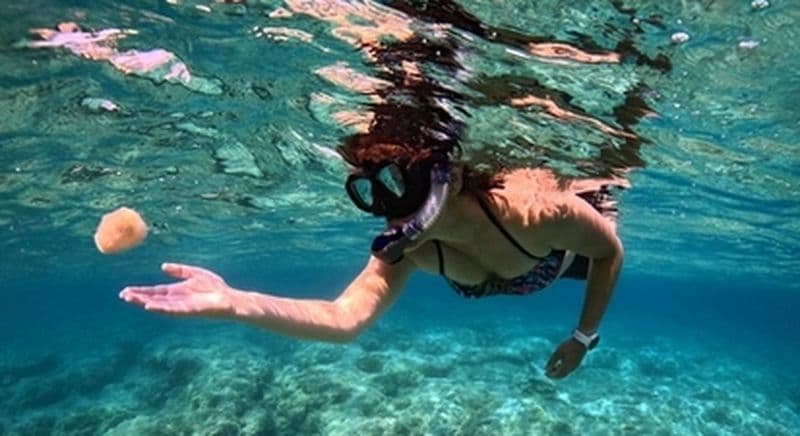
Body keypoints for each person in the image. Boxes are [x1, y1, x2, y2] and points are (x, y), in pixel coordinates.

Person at [120, 136, 625, 379]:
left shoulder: (536, 212)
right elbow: (344, 319)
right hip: (516, 268)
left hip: (563, 261)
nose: (387, 207)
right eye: (370, 192)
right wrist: (237, 303)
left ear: (445, 177)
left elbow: (609, 253)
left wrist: (583, 337)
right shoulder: (409, 250)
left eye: (398, 183)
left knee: (617, 149)